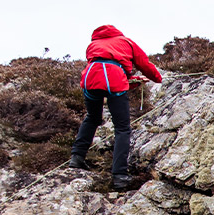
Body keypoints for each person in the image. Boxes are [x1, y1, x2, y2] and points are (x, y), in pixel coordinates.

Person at [69, 25, 163, 190]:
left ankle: (76, 158)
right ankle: (119, 176)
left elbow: (102, 69)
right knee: (122, 128)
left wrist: (133, 80)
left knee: (92, 117)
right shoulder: (126, 42)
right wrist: (157, 78)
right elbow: (142, 63)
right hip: (113, 80)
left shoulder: (93, 45)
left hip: (89, 79)